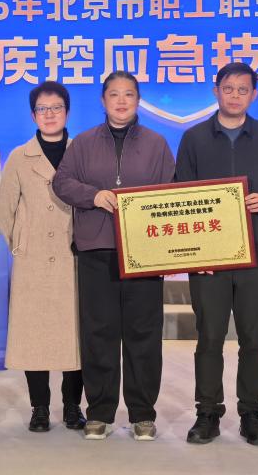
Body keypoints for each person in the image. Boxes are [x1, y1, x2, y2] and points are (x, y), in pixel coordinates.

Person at [52, 71, 175, 441]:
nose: (122, 101)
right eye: (114, 95)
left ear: (138, 100)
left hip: (145, 252)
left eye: (129, 94)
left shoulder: (157, 144)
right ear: (103, 100)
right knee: (98, 332)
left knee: (144, 334)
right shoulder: (83, 143)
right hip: (97, 249)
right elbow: (61, 182)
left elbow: (171, 191)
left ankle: (143, 413)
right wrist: (93, 196)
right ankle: (100, 412)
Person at [175, 62, 258, 446]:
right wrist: (194, 254)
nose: (235, 95)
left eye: (242, 89)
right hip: (209, 258)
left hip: (257, 252)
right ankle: (207, 412)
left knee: (254, 338)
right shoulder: (193, 138)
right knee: (209, 337)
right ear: (215, 91)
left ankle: (252, 413)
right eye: (228, 88)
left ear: (254, 94)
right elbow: (181, 193)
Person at [0, 81, 85, 433]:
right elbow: (5, 209)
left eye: (56, 108)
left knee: (74, 336)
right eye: (42, 109)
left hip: (73, 257)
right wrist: (21, 243)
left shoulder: (83, 152)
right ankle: (40, 408)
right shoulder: (20, 157)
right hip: (32, 259)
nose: (49, 115)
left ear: (67, 112)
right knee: (35, 335)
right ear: (33, 115)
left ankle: (73, 406)